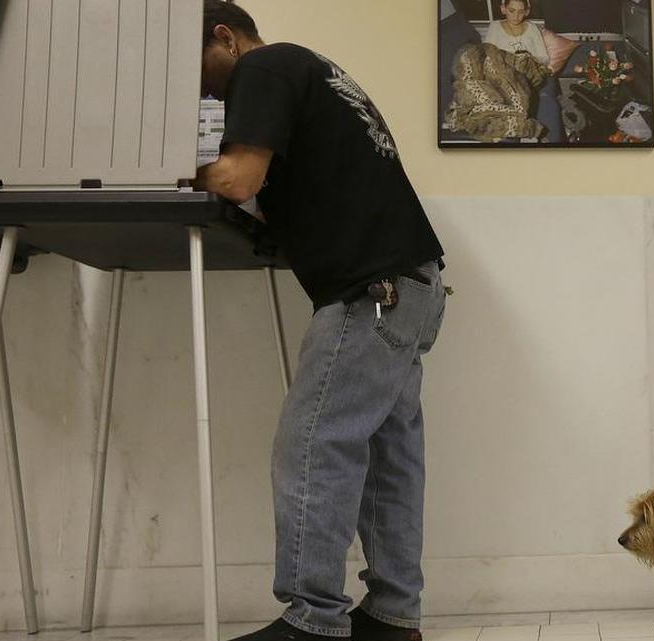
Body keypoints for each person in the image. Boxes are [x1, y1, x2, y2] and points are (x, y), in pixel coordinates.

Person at [194, 2, 447, 640]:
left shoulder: (266, 67)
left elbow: (239, 176)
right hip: (412, 284)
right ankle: (393, 616)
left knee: (312, 444)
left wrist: (157, 170)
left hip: (373, 290)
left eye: (195, 66)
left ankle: (313, 621)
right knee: (391, 456)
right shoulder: (313, 70)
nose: (198, 87)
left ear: (225, 37)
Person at [481, 0, 564, 143]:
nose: (516, 16)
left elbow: (543, 57)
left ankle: (550, 141)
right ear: (503, 9)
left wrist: (528, 58)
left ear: (527, 11)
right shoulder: (494, 27)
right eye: (511, 10)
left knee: (548, 103)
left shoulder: (532, 28)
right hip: (505, 75)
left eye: (521, 12)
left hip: (531, 73)